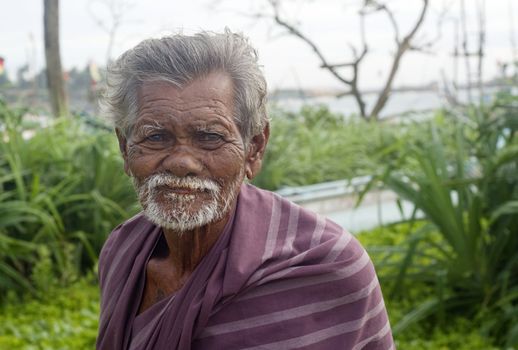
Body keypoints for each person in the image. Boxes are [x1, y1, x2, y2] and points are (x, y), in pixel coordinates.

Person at [96, 30, 394, 350]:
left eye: (210, 136)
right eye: (155, 137)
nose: (182, 162)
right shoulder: (123, 250)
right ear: (125, 149)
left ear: (254, 148)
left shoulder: (326, 265)